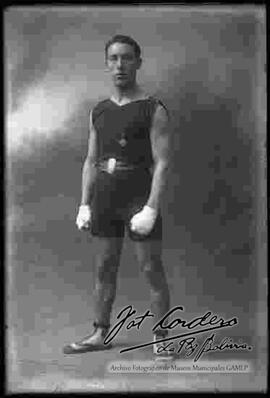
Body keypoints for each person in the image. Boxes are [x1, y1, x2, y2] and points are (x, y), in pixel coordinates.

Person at [63, 35, 171, 359]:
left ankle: (161, 335)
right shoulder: (99, 111)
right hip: (106, 196)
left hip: (138, 192)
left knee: (151, 268)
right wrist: (84, 203)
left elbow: (163, 162)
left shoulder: (154, 108)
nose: (119, 65)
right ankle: (99, 333)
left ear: (138, 62)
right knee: (104, 268)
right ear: (107, 63)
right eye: (113, 58)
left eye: (126, 58)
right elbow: (90, 160)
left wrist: (151, 208)